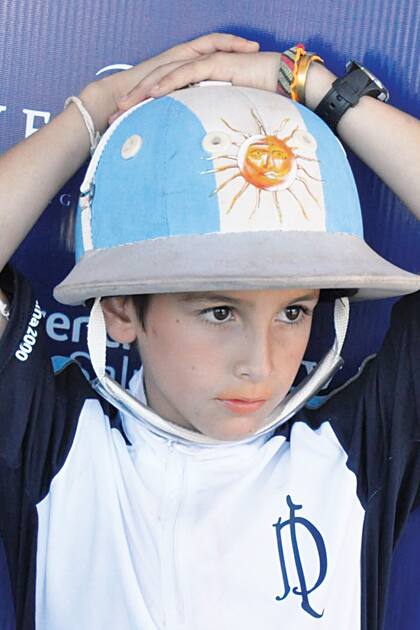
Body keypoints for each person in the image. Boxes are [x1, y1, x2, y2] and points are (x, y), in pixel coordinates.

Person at [0, 33, 418, 630]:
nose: (262, 364)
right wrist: (98, 111)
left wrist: (308, 84)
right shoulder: (53, 445)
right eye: (220, 312)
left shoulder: (359, 450)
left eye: (294, 313)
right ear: (119, 309)